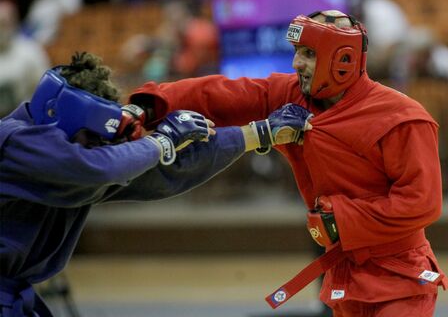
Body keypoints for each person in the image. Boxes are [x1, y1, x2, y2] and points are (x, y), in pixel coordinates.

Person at [127, 9, 448, 316]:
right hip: (346, 274)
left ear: (344, 60)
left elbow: (422, 203)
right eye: (297, 51)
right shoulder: (291, 95)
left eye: (308, 54)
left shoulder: (403, 118)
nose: (297, 63)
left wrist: (342, 219)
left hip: (401, 278)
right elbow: (222, 94)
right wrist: (151, 104)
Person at [0, 52, 313, 316]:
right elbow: (97, 167)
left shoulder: (79, 160)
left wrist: (257, 135)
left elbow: (165, 172)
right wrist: (162, 141)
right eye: (90, 136)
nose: (97, 146)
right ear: (54, 113)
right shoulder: (14, 140)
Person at [0, 0, 50, 117]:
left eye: (4, 24)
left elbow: (45, 91)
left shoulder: (31, 51)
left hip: (21, 123)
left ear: (14, 23)